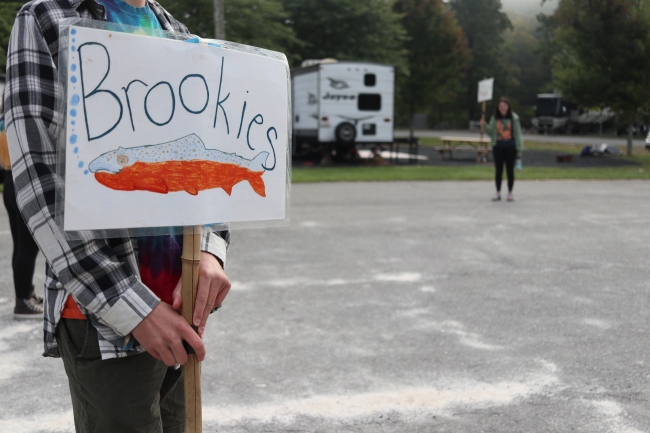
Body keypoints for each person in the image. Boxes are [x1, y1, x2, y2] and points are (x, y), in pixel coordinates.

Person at [5, 0, 231, 432]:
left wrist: (210, 249)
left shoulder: (177, 33)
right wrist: (134, 309)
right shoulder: (47, 17)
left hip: (181, 308)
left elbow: (201, 160)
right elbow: (38, 177)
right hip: (107, 317)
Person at [1, 105, 43, 319]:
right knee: (28, 247)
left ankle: (26, 292)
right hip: (23, 182)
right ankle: (22, 302)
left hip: (9, 180)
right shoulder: (23, 121)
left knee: (20, 246)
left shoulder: (3, 122)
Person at [482, 98, 523, 202]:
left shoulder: (514, 118)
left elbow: (518, 134)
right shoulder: (495, 118)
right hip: (498, 147)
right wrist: (484, 125)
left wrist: (519, 149)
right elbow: (491, 132)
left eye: (504, 106)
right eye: (500, 106)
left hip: (510, 147)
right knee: (498, 170)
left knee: (510, 170)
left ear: (508, 107)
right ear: (498, 108)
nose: (503, 108)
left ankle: (510, 193)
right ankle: (498, 192)